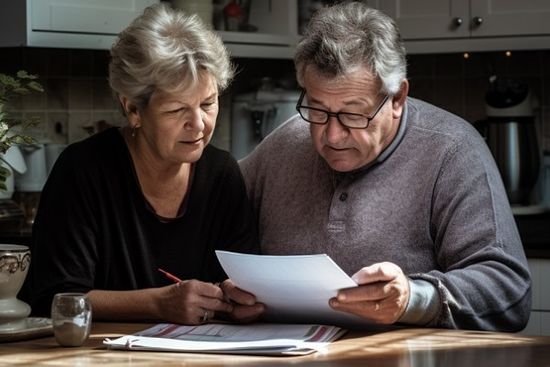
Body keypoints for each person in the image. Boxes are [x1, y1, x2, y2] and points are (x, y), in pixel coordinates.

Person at [239, 2, 531, 331]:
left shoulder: (452, 150)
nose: (332, 135)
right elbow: (211, 219)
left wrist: (413, 299)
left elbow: (509, 292)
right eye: (318, 110)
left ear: (397, 98)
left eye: (353, 114)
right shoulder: (285, 143)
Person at [23, 3, 263, 325]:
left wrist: (239, 295)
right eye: (177, 110)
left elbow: (238, 278)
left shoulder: (222, 174)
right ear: (133, 109)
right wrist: (159, 304)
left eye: (208, 103)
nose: (199, 124)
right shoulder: (83, 170)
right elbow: (55, 298)